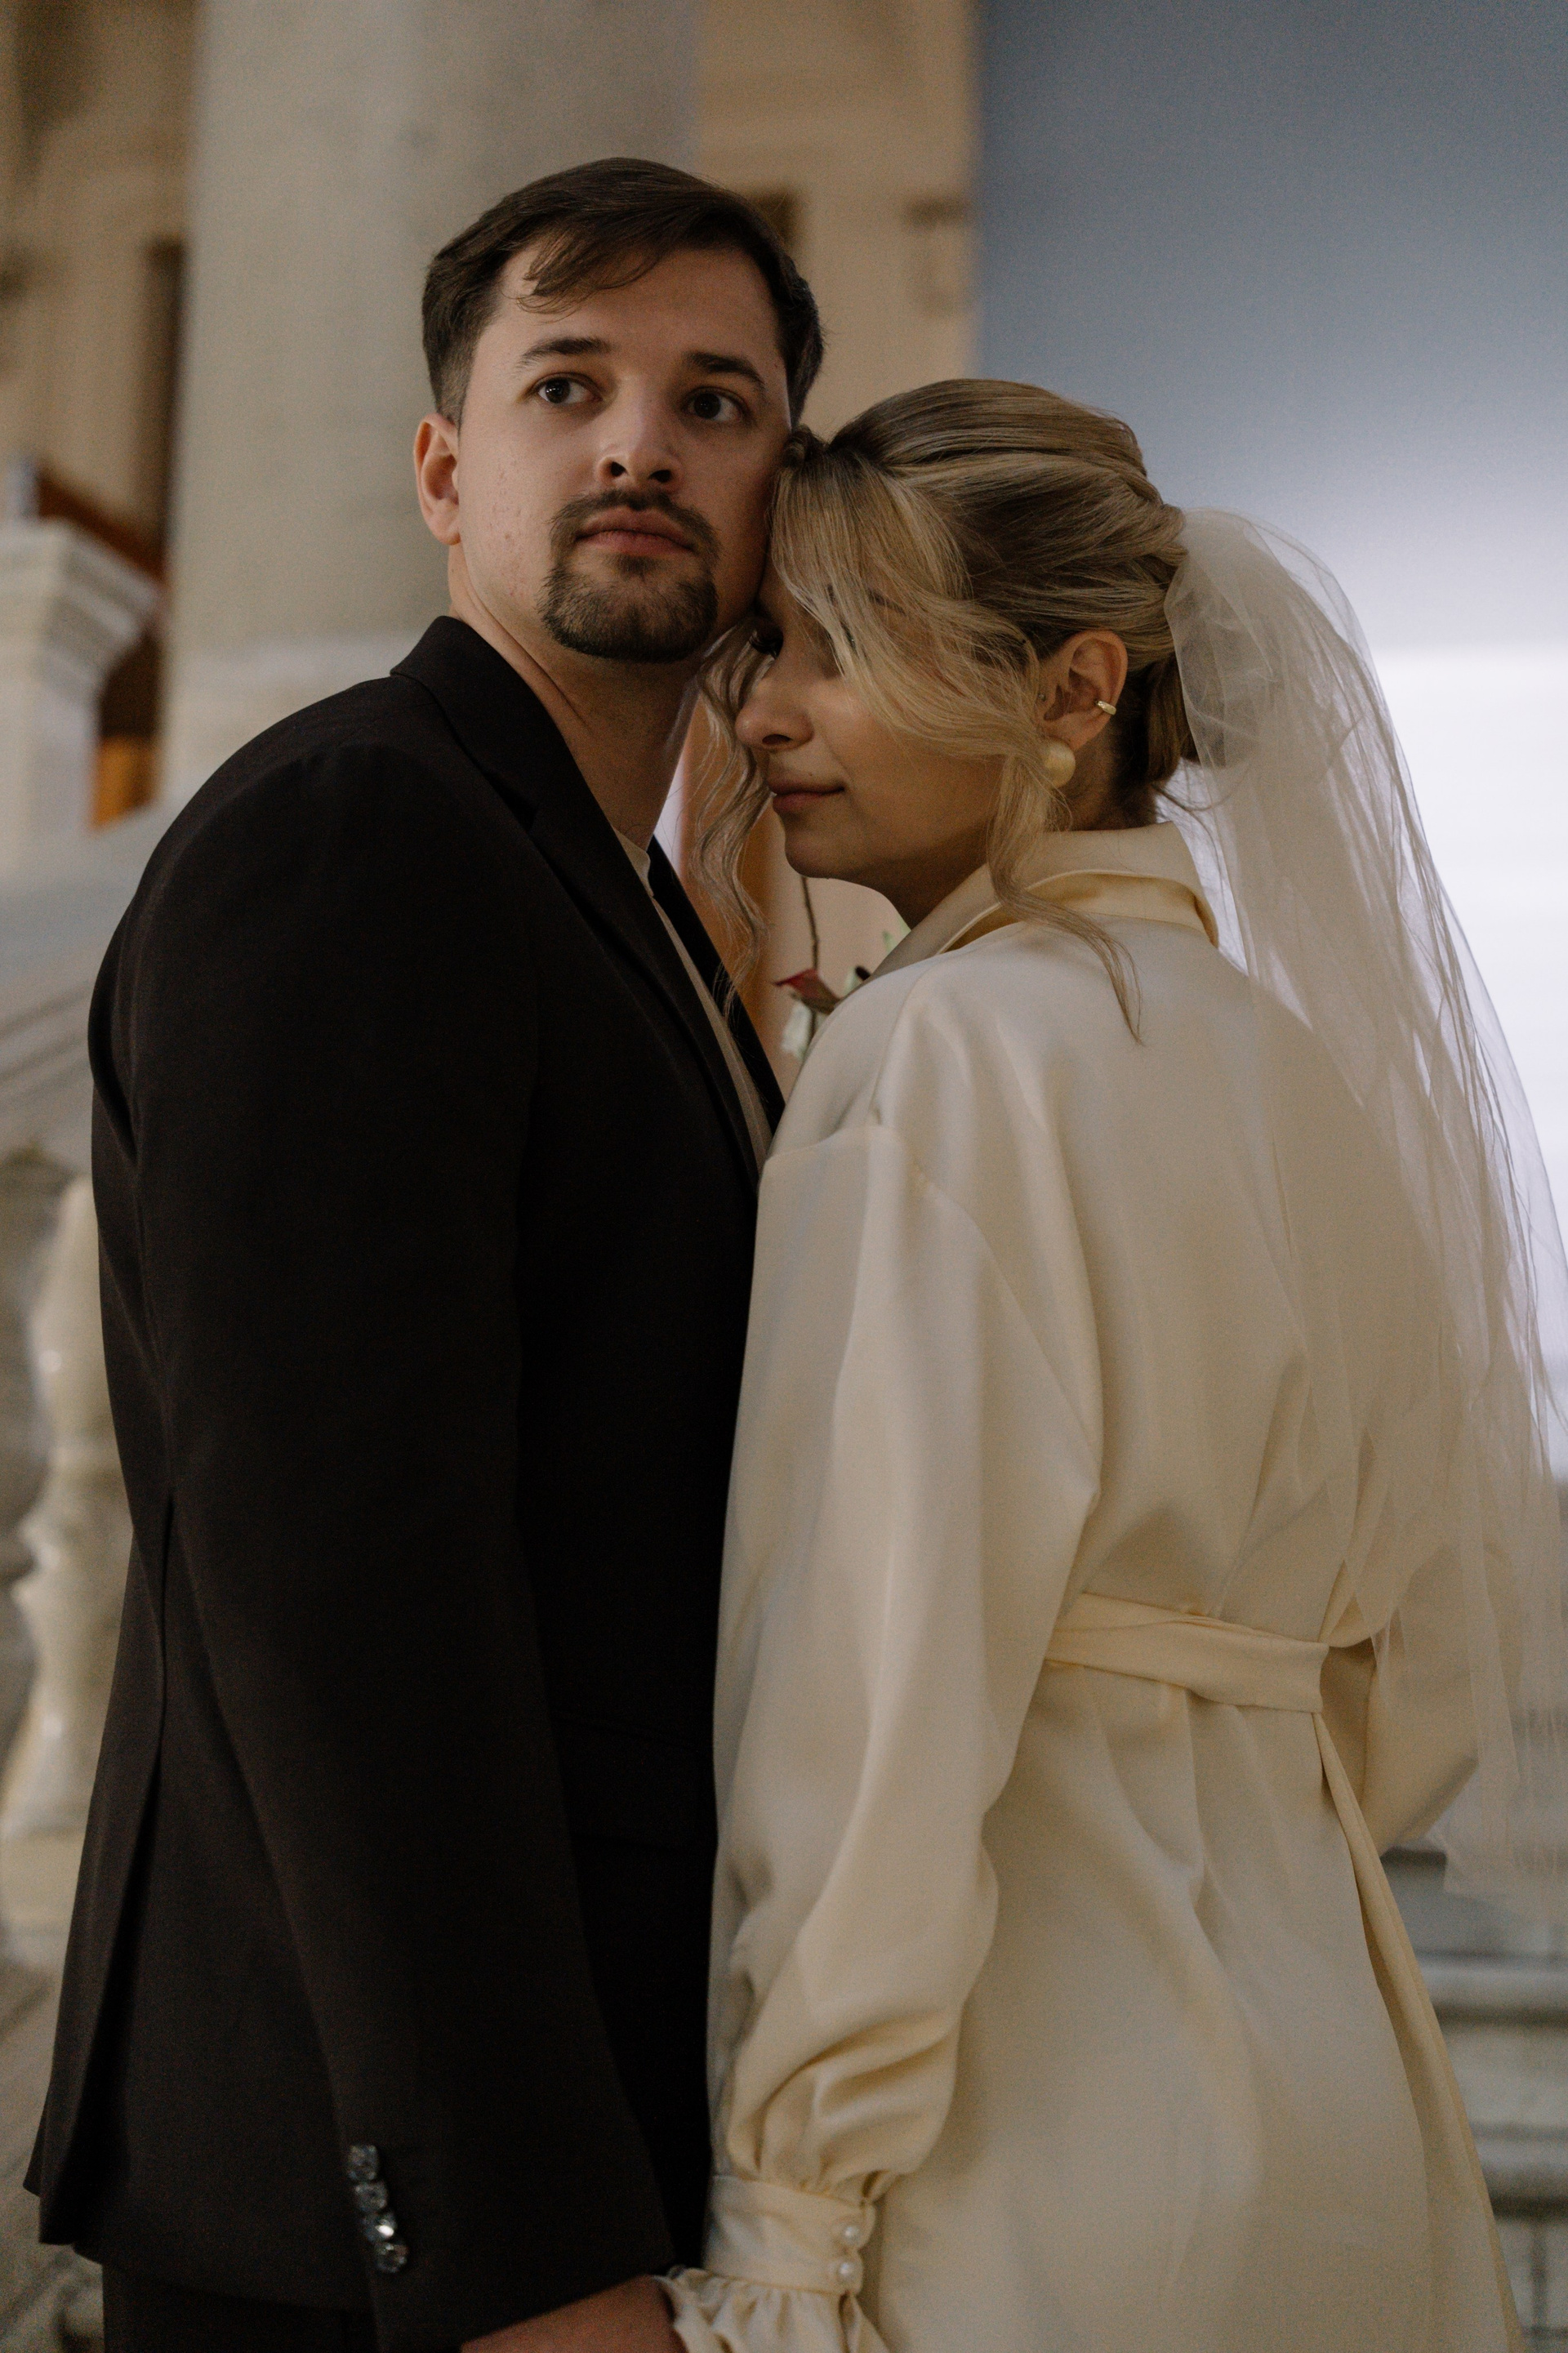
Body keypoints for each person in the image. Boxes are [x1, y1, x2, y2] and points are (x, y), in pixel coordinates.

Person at [663, 381, 1568, 2352]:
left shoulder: (941, 1055)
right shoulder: (1296, 1072)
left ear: (1075, 685)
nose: (764, 717)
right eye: (768, 651)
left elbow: (872, 1690)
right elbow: (1420, 1672)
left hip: (1020, 2126)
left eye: (838, 649)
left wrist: (791, 2211)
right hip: (1330, 2087)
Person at [28, 158, 818, 2353]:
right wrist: (517, 2242)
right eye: (569, 386)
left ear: (784, 502)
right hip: (369, 2201)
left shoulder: (631, 905)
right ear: (447, 475)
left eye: (716, 402)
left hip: (582, 2117)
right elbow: (342, 1594)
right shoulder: (358, 833)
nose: (641, 443)